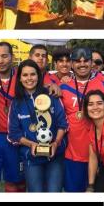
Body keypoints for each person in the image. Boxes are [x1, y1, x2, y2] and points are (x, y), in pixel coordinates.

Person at [60, 47, 104, 192]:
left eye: (86, 60)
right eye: (77, 61)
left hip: (102, 155)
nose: (82, 64)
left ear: (92, 62)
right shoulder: (63, 85)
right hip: (73, 155)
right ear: (71, 64)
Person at [7, 59, 68, 192]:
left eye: (33, 74)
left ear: (38, 76)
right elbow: (13, 133)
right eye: (25, 75)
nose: (29, 78)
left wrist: (56, 143)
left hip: (55, 155)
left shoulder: (51, 96)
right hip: (31, 157)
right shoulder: (16, 103)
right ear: (20, 79)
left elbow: (63, 123)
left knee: (54, 192)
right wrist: (31, 144)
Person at [0, 41, 25, 192]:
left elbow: (43, 82)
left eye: (4, 56)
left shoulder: (22, 77)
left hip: (15, 137)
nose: (0, 61)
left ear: (12, 57)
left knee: (15, 184)